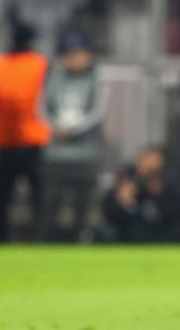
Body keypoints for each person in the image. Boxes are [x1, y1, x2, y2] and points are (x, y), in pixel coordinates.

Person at [0, 22, 51, 242]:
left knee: (2, 196)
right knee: (37, 197)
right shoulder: (39, 64)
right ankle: (40, 239)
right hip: (31, 138)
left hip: (4, 139)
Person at [42, 31, 107, 241]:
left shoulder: (95, 80)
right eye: (70, 53)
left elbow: (98, 111)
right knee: (51, 201)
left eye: (78, 53)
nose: (74, 58)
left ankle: (80, 239)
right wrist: (56, 128)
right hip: (56, 153)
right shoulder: (55, 79)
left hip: (84, 154)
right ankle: (47, 240)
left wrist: (75, 129)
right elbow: (42, 108)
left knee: (82, 202)